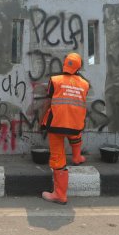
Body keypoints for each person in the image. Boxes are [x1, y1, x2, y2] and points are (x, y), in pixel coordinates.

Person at [40, 53, 90, 204]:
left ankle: (60, 194)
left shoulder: (55, 80)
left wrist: (41, 120)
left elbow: (48, 102)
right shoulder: (85, 84)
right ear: (79, 67)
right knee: (75, 135)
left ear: (65, 64)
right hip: (75, 125)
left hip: (56, 124)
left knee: (58, 157)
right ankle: (77, 157)